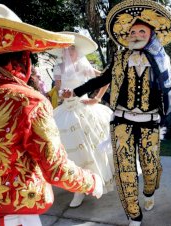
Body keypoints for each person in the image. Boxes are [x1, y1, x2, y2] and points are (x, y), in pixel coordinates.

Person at [62, 1, 171, 225]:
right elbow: (102, 79)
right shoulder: (121, 58)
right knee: (125, 170)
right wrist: (75, 91)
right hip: (121, 121)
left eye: (141, 31)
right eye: (132, 31)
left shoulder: (163, 60)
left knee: (151, 168)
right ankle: (134, 215)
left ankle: (149, 192)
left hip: (150, 123)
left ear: (151, 34)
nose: (136, 34)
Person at [0, 4, 103, 226]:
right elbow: (56, 169)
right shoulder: (29, 100)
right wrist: (91, 182)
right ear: (22, 59)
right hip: (11, 217)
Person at [51, 32, 115, 208]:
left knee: (91, 148)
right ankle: (77, 185)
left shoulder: (83, 66)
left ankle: (90, 182)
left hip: (84, 107)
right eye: (66, 48)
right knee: (66, 149)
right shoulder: (58, 67)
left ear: (77, 51)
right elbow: (58, 89)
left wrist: (97, 98)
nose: (69, 51)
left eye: (72, 48)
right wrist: (62, 93)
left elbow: (106, 79)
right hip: (65, 109)